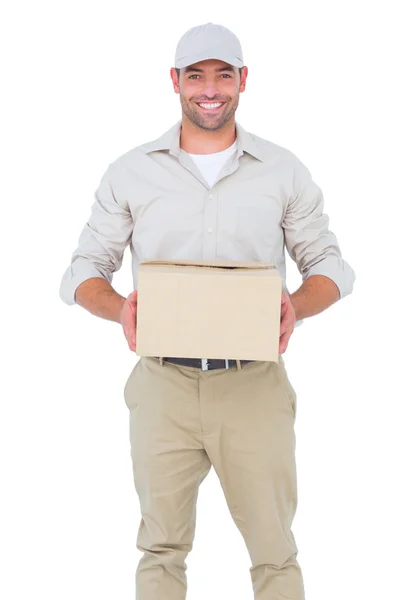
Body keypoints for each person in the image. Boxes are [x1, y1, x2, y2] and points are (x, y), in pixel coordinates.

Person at [59, 21, 355, 600]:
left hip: (253, 385)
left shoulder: (282, 170)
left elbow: (332, 267)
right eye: (196, 76)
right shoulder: (130, 171)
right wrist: (121, 310)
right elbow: (81, 273)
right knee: (161, 550)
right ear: (175, 81)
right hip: (161, 385)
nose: (210, 89)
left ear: (244, 80)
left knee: (274, 551)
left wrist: (294, 305)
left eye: (224, 75)